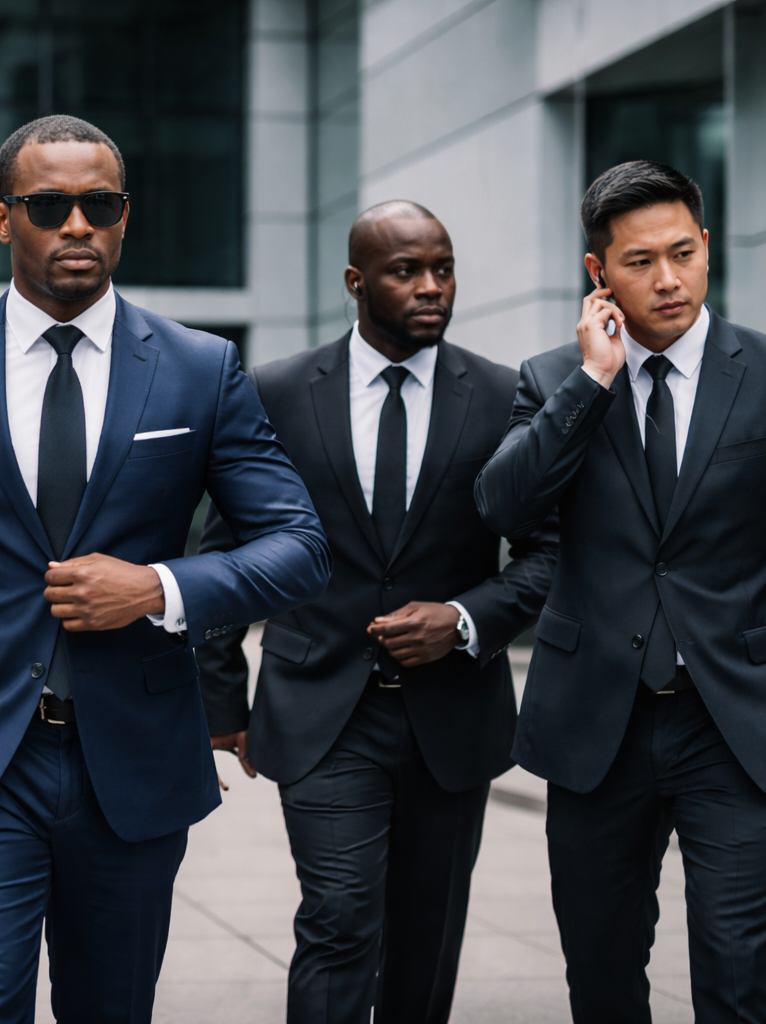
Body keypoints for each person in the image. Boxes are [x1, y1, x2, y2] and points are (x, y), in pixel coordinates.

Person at [0, 114, 331, 1024]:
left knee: (112, 1008)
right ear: (2, 218)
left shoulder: (199, 369)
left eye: (101, 204)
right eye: (49, 205)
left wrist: (161, 589)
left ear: (125, 217)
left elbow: (299, 546)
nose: (77, 225)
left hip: (131, 762)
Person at [476, 159, 766, 1023]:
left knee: (738, 978)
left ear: (708, 248)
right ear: (597, 273)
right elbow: (501, 506)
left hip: (741, 723)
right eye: (639, 261)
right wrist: (592, 381)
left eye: (683, 253)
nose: (668, 278)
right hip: (594, 726)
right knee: (602, 977)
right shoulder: (552, 381)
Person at [196, 201, 556, 1024]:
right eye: (406, 272)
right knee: (339, 920)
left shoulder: (507, 396)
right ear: (357, 282)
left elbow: (547, 554)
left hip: (452, 716)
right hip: (321, 707)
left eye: (444, 269)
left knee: (427, 940)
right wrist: (221, 698)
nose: (432, 288)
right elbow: (227, 552)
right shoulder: (278, 392)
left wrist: (467, 618)